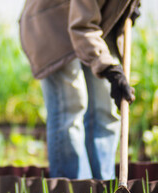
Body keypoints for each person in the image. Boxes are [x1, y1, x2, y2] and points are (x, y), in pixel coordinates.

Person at [19, 0, 140, 180]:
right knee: (70, 105)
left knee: (105, 108)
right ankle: (73, 191)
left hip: (93, 26)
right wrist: (109, 69)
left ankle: (104, 185)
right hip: (52, 24)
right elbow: (82, 27)